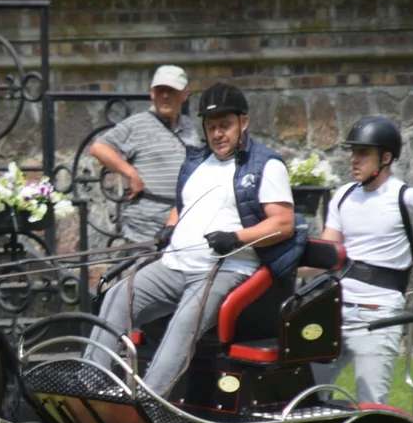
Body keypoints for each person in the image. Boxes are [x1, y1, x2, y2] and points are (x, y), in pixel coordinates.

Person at [85, 82, 305, 396]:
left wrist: (236, 238)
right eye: (211, 126)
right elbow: (184, 204)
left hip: (228, 270)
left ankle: (150, 400)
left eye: (225, 126)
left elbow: (282, 224)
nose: (217, 134)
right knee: (118, 296)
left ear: (243, 122)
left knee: (183, 324)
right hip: (175, 264)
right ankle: (89, 381)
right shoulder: (196, 161)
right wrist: (170, 228)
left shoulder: (266, 165)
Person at [312, 116, 413, 404]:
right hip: (333, 310)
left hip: (378, 314)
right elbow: (327, 255)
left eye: (363, 153)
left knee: (369, 404)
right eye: (353, 151)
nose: (353, 159)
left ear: (386, 157)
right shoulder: (343, 195)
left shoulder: (406, 198)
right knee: (305, 395)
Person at [89, 64, 200, 244]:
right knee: (141, 271)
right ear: (152, 94)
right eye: (160, 90)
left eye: (171, 90)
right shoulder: (137, 124)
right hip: (145, 222)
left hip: (183, 218)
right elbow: (99, 147)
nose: (165, 96)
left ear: (184, 95)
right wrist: (130, 173)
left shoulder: (188, 125)